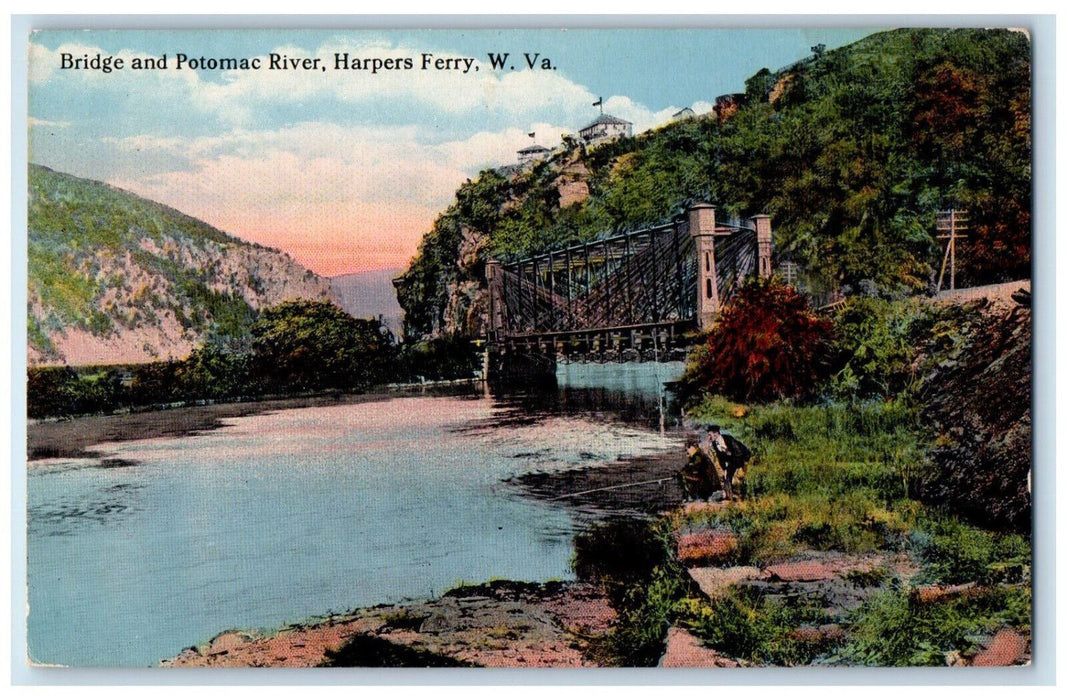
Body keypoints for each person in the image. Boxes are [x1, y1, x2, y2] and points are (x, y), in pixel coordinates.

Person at [705, 425, 751, 500]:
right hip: (732, 460)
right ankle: (730, 496)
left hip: (742, 457)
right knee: (726, 476)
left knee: (735, 477)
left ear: (716, 433)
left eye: (710, 435)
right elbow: (720, 458)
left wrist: (730, 467)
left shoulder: (728, 439)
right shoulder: (714, 444)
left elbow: (738, 453)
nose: (709, 438)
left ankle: (739, 495)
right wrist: (724, 469)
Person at [678, 435, 722, 502]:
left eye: (688, 448)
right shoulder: (698, 455)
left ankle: (694, 497)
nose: (687, 451)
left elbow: (694, 466)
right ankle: (693, 496)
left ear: (694, 447)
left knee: (683, 477)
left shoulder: (698, 456)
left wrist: (683, 472)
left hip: (709, 485)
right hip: (709, 483)